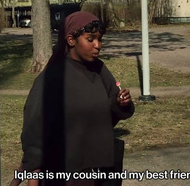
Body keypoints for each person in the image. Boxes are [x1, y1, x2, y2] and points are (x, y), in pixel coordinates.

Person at [11, 11, 134, 186]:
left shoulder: (99, 70)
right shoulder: (53, 77)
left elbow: (110, 107)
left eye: (100, 39)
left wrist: (120, 103)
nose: (98, 45)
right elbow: (35, 125)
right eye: (90, 39)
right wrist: (34, 171)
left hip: (102, 169)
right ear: (71, 40)